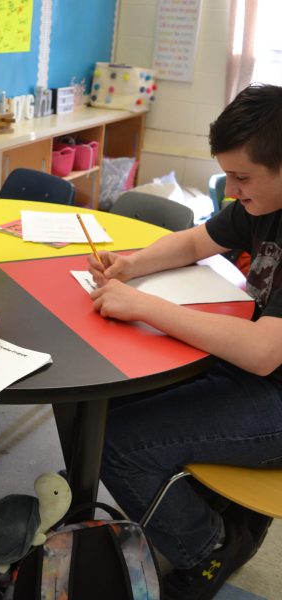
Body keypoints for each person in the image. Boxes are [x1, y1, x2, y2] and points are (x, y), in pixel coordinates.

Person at [88, 83, 282, 600]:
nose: (233, 190)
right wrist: (132, 265)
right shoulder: (263, 201)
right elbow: (199, 239)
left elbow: (264, 353)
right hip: (255, 372)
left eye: (243, 177)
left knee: (116, 442)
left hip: (274, 391)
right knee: (110, 398)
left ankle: (207, 548)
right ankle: (217, 509)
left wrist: (147, 306)